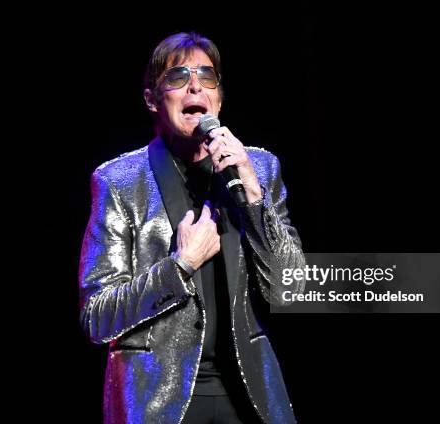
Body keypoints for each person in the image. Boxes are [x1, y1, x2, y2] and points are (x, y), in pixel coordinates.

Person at [79, 31, 305, 424]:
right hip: (156, 403)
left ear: (218, 97)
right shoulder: (118, 181)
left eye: (206, 76)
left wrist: (253, 196)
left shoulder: (260, 168)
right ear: (152, 98)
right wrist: (180, 265)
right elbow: (97, 317)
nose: (195, 85)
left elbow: (292, 289)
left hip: (248, 397)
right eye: (178, 76)